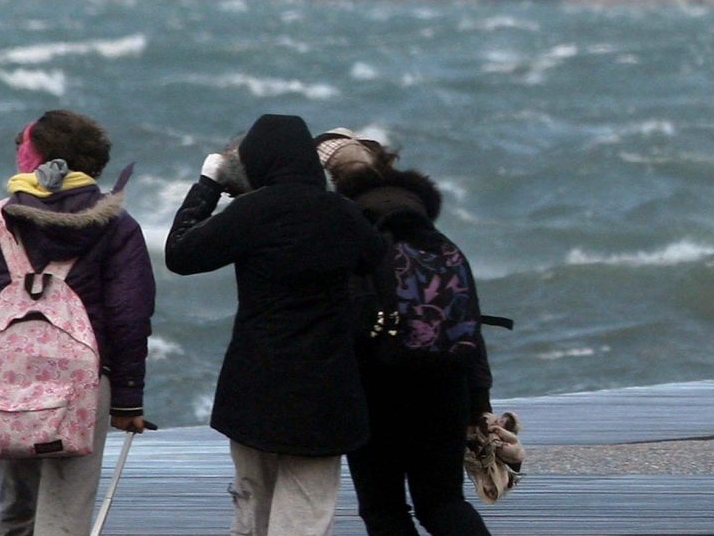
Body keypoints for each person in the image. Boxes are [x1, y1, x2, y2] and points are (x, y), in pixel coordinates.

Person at [0, 109, 156, 536]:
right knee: (66, 513)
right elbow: (130, 317)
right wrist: (128, 401)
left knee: (17, 509)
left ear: (34, 159)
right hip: (86, 384)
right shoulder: (118, 227)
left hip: (3, 382)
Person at [165, 114, 383, 536]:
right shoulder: (345, 215)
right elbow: (377, 265)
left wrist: (209, 184)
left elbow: (180, 253)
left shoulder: (251, 212)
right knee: (306, 512)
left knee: (252, 501)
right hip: (326, 390)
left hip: (255, 386)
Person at [314, 128, 498, 536]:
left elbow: (344, 323)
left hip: (376, 389)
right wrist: (479, 402)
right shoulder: (439, 241)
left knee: (384, 509)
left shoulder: (352, 238)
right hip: (446, 386)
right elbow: (471, 323)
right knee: (444, 502)